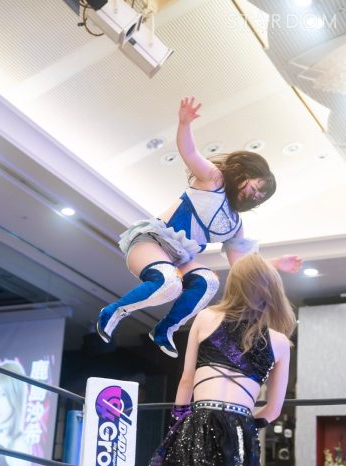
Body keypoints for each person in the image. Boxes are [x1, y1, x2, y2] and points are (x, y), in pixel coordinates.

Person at [129, 253, 296, 466]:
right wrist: (246, 427)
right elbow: (274, 409)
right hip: (241, 430)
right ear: (271, 289)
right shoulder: (280, 341)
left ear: (233, 285)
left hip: (200, 421)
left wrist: (180, 422)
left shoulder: (206, 317)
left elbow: (186, 382)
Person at [97, 97, 301, 358]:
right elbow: (190, 153)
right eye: (252, 189)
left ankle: (165, 329)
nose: (252, 197)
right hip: (152, 242)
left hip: (180, 257)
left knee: (208, 282)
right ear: (242, 174)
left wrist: (276, 263)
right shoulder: (213, 180)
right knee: (168, 282)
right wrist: (184, 124)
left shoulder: (235, 225)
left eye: (258, 197)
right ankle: (113, 311)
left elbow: (242, 265)